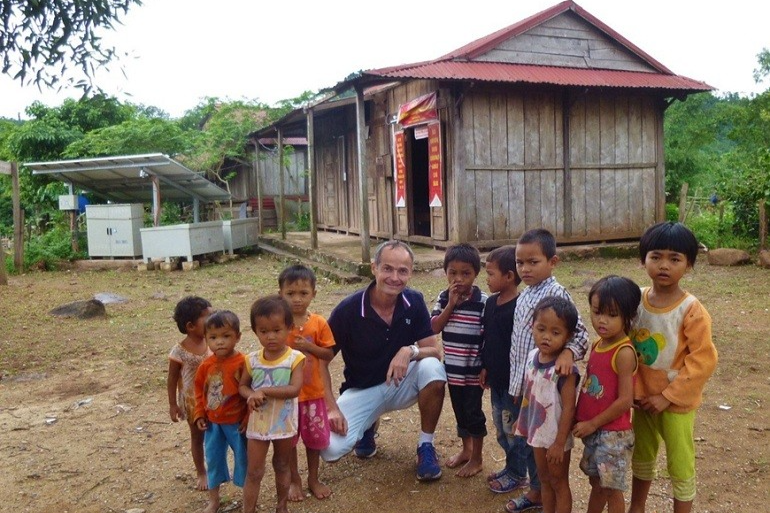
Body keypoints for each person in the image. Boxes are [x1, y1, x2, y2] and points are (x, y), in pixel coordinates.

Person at [321, 240, 447, 482]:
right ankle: (368, 425)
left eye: (403, 271)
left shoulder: (414, 301)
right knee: (330, 449)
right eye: (387, 269)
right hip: (362, 388)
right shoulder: (348, 310)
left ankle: (425, 446)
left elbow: (433, 350)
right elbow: (319, 362)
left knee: (433, 368)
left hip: (400, 382)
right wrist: (330, 408)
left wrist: (409, 350)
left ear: (411, 273)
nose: (394, 277)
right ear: (374, 268)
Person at [628, 222, 718, 513]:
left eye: (675, 258)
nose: (664, 265)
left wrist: (667, 396)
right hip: (642, 400)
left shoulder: (691, 309)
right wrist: (628, 390)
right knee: (641, 456)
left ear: (689, 265)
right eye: (656, 257)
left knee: (679, 462)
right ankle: (637, 507)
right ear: (643, 260)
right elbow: (623, 346)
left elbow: (702, 360)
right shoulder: (635, 301)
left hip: (675, 403)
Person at [506, 228, 589, 513]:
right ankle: (540, 498)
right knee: (543, 473)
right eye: (520, 263)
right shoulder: (526, 294)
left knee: (557, 479)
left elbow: (580, 335)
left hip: (554, 417)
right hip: (532, 394)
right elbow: (521, 348)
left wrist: (567, 352)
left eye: (533, 262)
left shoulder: (556, 293)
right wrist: (518, 387)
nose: (525, 269)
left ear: (552, 262)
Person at [573, 276, 641, 513]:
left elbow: (625, 401)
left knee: (612, 489)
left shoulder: (623, 352)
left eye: (612, 315)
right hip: (595, 432)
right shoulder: (598, 344)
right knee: (596, 483)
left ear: (628, 316)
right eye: (597, 312)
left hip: (613, 435)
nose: (602, 320)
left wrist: (592, 423)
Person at [239, 295, 305, 513]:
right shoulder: (252, 360)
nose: (271, 337)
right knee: (254, 471)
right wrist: (250, 394)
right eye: (264, 331)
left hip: (283, 422)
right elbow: (243, 386)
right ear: (255, 331)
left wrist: (263, 391)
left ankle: (281, 506)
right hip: (258, 423)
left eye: (277, 330)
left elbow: (294, 389)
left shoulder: (295, 358)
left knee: (282, 465)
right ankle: (248, 509)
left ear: (289, 328)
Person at [515, 297, 580, 513]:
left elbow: (570, 408)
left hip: (555, 438)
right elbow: (531, 391)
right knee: (544, 480)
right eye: (541, 329)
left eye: (555, 332)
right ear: (531, 325)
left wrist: (559, 443)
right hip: (537, 433)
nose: (546, 337)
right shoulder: (533, 355)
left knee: (559, 482)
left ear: (568, 336)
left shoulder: (564, 371)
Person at [277, 264, 336, 500]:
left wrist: (309, 347)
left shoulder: (319, 323)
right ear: (280, 294)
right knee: (289, 442)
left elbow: (328, 355)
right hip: (287, 396)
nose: (297, 299)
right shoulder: (279, 324)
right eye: (290, 294)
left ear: (314, 294)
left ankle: (313, 477)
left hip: (313, 394)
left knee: (314, 440)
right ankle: (295, 480)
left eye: (303, 293)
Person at [430, 243, 488, 477]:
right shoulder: (444, 298)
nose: (459, 279)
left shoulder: (484, 301)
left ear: (476, 274)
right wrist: (451, 304)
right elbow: (434, 327)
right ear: (445, 273)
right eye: (453, 272)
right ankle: (466, 449)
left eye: (466, 273)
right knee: (459, 412)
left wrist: (486, 366)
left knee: (474, 414)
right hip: (452, 370)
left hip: (473, 371)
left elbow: (488, 337)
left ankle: (477, 458)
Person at [478, 246, 527, 494]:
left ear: (509, 276)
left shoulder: (520, 307)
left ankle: (519, 474)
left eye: (490, 273)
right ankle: (511, 466)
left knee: (515, 430)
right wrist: (485, 367)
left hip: (514, 384)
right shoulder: (490, 304)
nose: (486, 279)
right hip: (496, 380)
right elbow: (488, 339)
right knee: (501, 427)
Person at [193, 310, 248, 513]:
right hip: (212, 423)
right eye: (213, 338)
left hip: (237, 423)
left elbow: (250, 392)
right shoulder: (206, 365)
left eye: (226, 336)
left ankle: (247, 499)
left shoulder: (243, 363)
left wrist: (249, 417)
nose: (220, 342)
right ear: (206, 339)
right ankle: (214, 500)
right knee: (213, 459)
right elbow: (199, 390)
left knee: (244, 459)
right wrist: (199, 413)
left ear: (238, 337)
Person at [167, 296, 213, 491]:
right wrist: (173, 405)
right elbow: (171, 380)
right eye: (207, 317)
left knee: (214, 433)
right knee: (197, 436)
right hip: (192, 400)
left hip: (213, 397)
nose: (213, 320)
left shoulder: (213, 341)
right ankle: (201, 471)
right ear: (190, 326)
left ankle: (216, 467)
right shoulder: (179, 351)